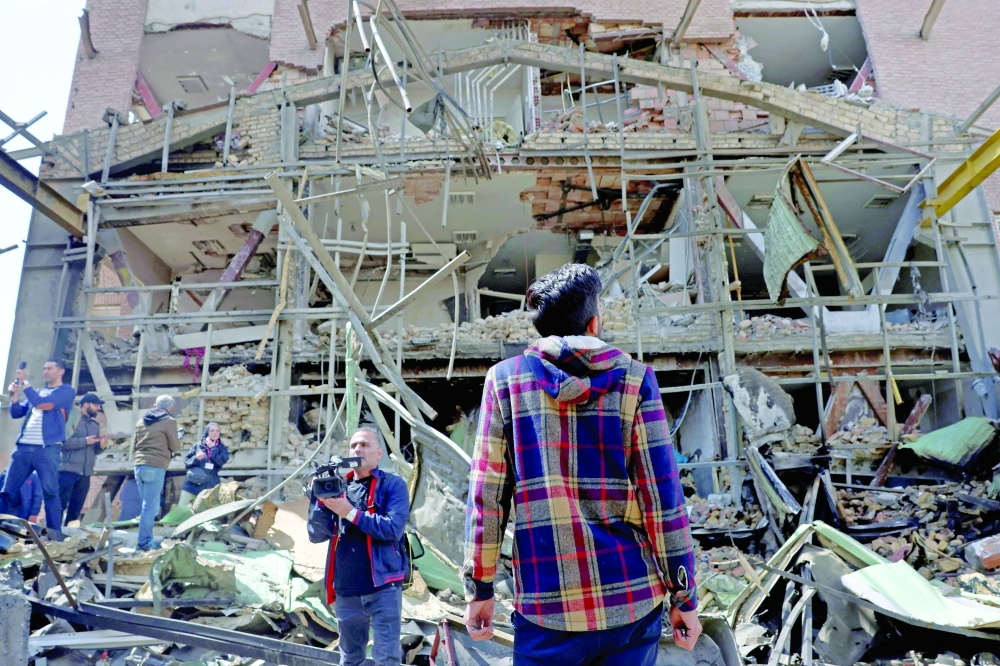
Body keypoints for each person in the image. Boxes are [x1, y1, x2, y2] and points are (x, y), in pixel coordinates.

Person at [463, 263, 701, 665]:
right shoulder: (636, 380)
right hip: (631, 600)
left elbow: (486, 499)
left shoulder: (504, 381)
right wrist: (684, 595)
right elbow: (663, 500)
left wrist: (480, 589)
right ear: (594, 322)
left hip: (546, 604)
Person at [307, 427, 410, 666]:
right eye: (353, 446)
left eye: (364, 445)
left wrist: (350, 513)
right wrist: (318, 499)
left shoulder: (393, 485)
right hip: (346, 589)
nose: (357, 449)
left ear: (378, 453)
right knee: (351, 660)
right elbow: (316, 536)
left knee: (386, 659)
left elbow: (393, 529)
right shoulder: (337, 487)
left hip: (383, 586)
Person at [0, 360, 76, 530]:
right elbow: (16, 412)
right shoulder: (38, 392)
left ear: (61, 371)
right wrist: (14, 396)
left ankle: (54, 533)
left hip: (46, 449)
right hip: (23, 448)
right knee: (7, 491)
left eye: (50, 368)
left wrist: (26, 383)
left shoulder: (66, 391)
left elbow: (43, 404)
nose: (45, 372)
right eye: (44, 368)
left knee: (50, 491)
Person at [133, 395, 181, 551]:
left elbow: (135, 445)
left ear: (155, 406)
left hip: (139, 466)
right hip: (155, 466)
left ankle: (143, 539)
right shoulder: (169, 421)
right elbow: (175, 447)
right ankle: (144, 543)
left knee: (146, 506)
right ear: (171, 408)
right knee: (150, 508)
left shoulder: (140, 422)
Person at [59, 393, 106, 526]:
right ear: (85, 404)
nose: (98, 408)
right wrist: (85, 441)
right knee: (59, 506)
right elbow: (63, 443)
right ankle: (54, 535)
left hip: (85, 474)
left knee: (76, 510)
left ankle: (69, 537)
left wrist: (101, 446)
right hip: (67, 470)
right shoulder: (71, 419)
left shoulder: (94, 425)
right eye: (96, 404)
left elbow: (94, 450)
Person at [179, 422, 230, 507]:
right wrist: (196, 458)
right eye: (212, 430)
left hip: (209, 485)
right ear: (207, 432)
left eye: (217, 431)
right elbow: (187, 462)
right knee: (183, 509)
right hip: (192, 484)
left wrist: (213, 448)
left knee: (204, 512)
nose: (215, 433)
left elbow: (221, 461)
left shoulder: (222, 448)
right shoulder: (198, 446)